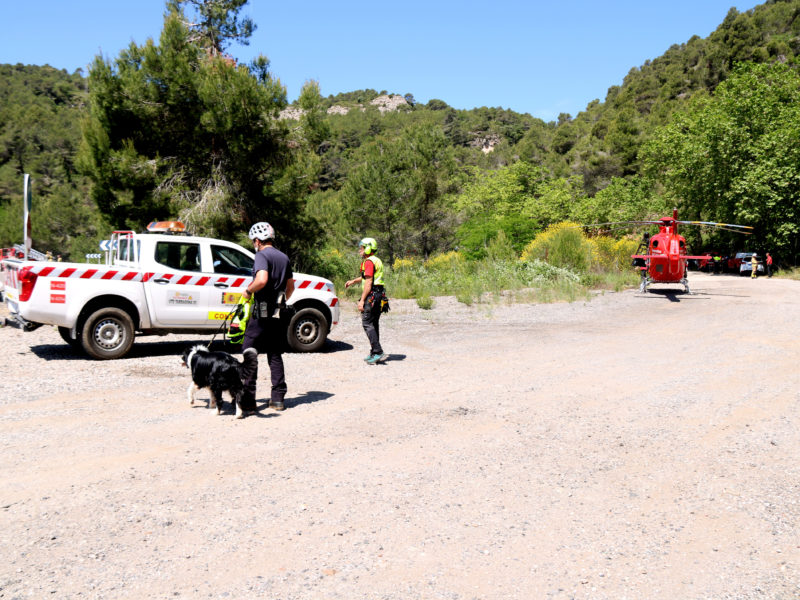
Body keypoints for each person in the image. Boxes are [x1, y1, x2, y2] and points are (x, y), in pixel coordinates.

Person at [239, 222, 295, 411]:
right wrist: (279, 302)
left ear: (257, 240)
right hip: (277, 314)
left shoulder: (261, 255)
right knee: (274, 354)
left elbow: (261, 280)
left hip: (260, 313)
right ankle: (278, 398)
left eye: (253, 241)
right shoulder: (283, 257)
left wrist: (248, 291)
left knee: (249, 351)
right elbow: (291, 288)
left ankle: (247, 400)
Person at [345, 237, 388, 365]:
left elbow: (368, 283)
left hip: (372, 295)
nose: (360, 250)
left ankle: (377, 351)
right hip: (379, 294)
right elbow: (366, 277)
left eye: (362, 248)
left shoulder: (368, 262)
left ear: (368, 248)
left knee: (366, 322)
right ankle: (375, 352)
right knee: (374, 323)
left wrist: (362, 300)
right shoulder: (376, 260)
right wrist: (353, 281)